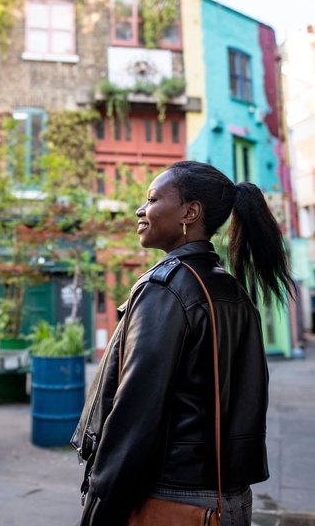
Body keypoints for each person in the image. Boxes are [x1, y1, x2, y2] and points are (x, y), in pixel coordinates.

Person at [74, 161, 294, 526]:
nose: (140, 210)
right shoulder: (232, 290)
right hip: (231, 498)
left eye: (153, 199)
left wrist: (100, 508)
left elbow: (136, 412)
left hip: (174, 499)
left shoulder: (165, 287)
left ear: (190, 212)